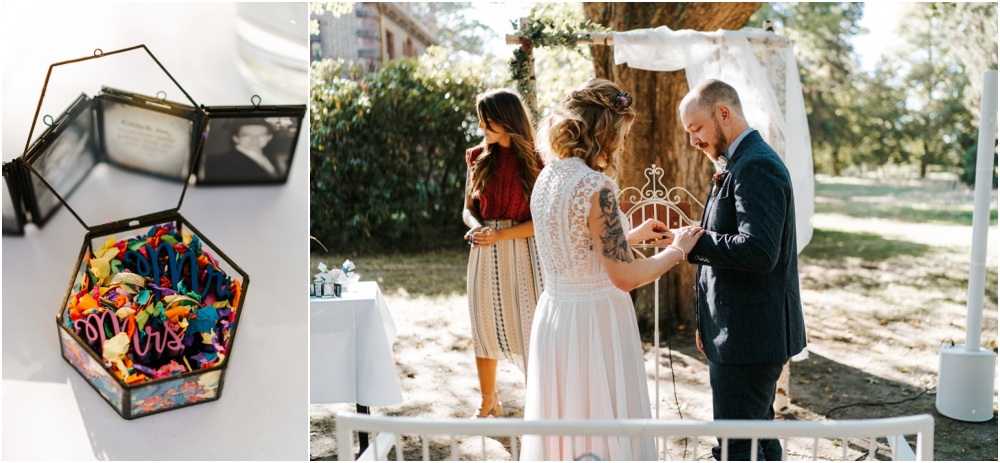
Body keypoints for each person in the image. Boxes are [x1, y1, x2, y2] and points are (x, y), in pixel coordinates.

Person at [522, 78, 705, 461]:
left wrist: (631, 235)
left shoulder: (547, 178)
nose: (623, 145)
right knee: (602, 429)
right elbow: (624, 276)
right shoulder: (597, 186)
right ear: (602, 132)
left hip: (556, 317)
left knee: (566, 426)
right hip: (595, 323)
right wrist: (676, 250)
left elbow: (576, 243)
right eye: (621, 134)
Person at [679, 79, 807, 461]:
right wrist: (708, 324)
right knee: (758, 440)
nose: (693, 141)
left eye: (696, 128)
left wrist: (694, 244)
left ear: (724, 113)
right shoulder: (739, 162)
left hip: (751, 338)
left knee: (737, 447)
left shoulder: (756, 166)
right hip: (737, 333)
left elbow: (758, 250)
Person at [462, 88, 543, 419]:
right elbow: (468, 209)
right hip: (484, 252)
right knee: (484, 325)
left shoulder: (538, 160)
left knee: (529, 328)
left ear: (507, 121)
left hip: (525, 251)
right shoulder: (476, 157)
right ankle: (488, 400)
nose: (483, 129)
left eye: (488, 122)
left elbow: (542, 222)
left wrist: (501, 234)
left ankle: (538, 404)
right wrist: (473, 227)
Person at [204, 120, 283, 182]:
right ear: (235, 138)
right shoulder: (219, 162)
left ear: (269, 137)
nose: (254, 139)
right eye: (247, 135)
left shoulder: (272, 157)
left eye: (261, 135)